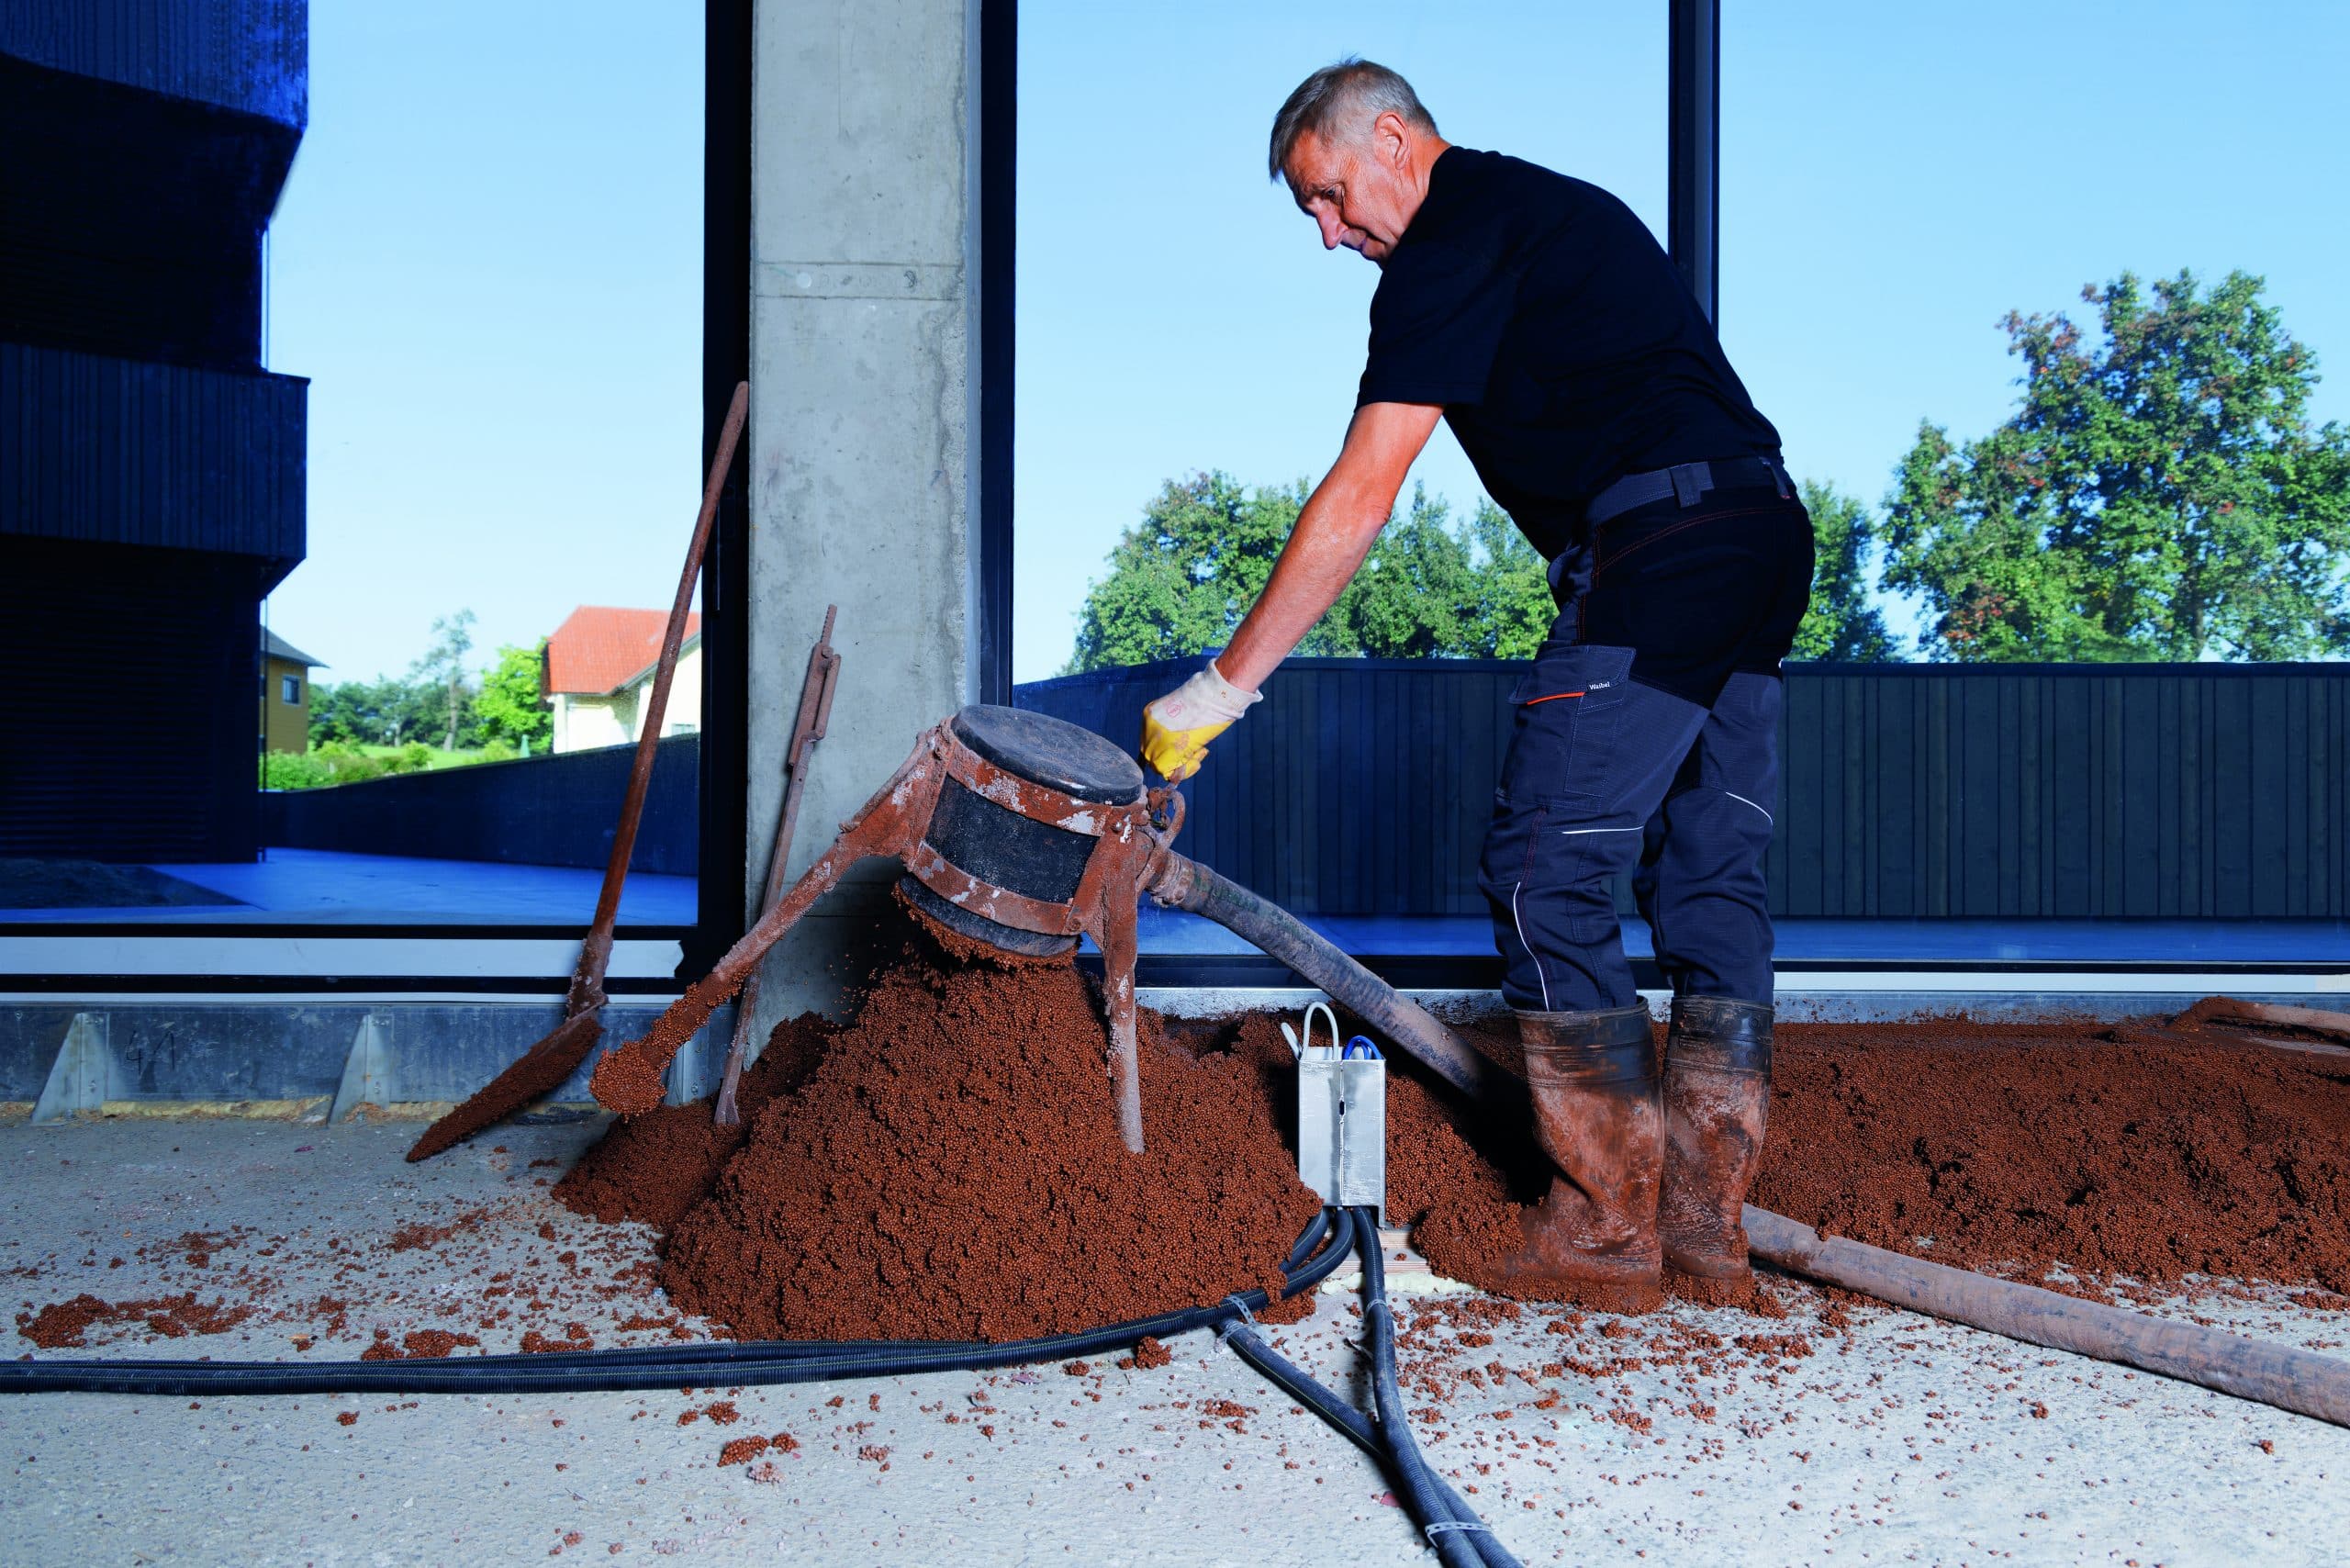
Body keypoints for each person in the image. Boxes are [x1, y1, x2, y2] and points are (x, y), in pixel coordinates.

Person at [1139, 60, 1813, 1308]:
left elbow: (1364, 491)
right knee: (1712, 873)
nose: (1335, 236)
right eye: (1314, 218)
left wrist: (1221, 690)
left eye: (1334, 197)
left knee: (1543, 866)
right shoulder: (1551, 210)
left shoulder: (1451, 236)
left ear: (1396, 140)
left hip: (1663, 546)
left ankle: (1609, 1231)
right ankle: (1707, 1234)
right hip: (1760, 533)